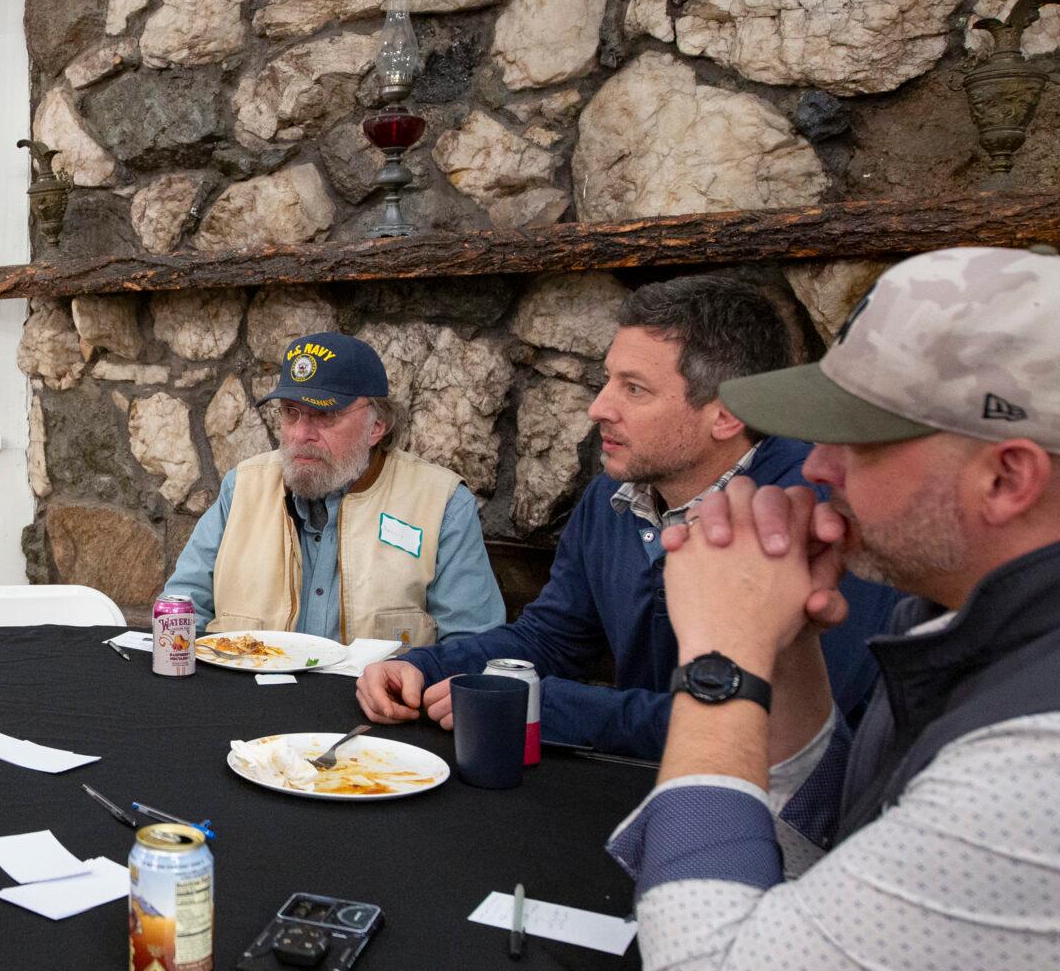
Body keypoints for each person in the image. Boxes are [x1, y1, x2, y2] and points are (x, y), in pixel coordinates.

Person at [612, 246, 1060, 971]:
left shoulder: (1038, 756)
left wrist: (716, 664)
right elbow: (827, 872)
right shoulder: (967, 623)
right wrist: (781, 651)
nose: (810, 464)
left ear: (1004, 475)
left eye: (855, 436)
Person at [356, 272, 900, 760]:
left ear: (727, 415)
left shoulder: (817, 513)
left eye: (633, 388)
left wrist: (548, 706)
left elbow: (778, 728)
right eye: (608, 380)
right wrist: (427, 666)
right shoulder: (611, 500)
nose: (598, 408)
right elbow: (551, 640)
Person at [163, 331, 505, 647]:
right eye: (290, 412)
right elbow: (181, 611)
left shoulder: (440, 503)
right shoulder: (242, 488)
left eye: (325, 416)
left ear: (376, 426)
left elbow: (472, 648)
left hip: (373, 711)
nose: (301, 435)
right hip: (245, 705)